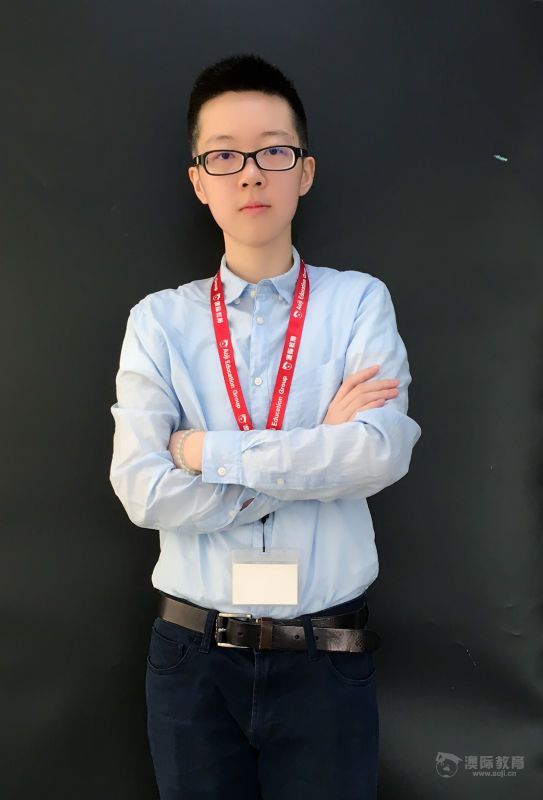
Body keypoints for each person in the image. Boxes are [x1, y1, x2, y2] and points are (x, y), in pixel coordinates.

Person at [109, 52, 422, 800]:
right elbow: (142, 491)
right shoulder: (158, 322)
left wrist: (202, 451)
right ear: (198, 181)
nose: (250, 174)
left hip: (326, 653)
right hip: (191, 659)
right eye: (224, 156)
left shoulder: (357, 303)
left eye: (272, 152)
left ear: (304, 171)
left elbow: (378, 454)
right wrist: (314, 457)